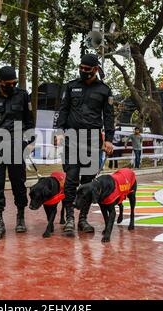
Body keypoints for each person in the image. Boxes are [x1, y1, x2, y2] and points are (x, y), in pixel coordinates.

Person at [56, 54, 114, 236]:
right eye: (80, 68)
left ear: (95, 70)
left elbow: (109, 117)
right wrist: (59, 132)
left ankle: (83, 218)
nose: (83, 72)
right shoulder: (71, 86)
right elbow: (63, 110)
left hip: (93, 141)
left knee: (88, 182)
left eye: (87, 70)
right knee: (71, 179)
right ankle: (70, 218)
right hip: (72, 138)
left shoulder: (105, 90)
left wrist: (109, 139)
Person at [0, 66, 35, 241]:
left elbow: (28, 121)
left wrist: (28, 142)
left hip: (18, 146)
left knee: (19, 183)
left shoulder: (22, 95)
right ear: (0, 82)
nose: (13, 86)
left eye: (15, 83)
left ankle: (20, 217)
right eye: (9, 83)